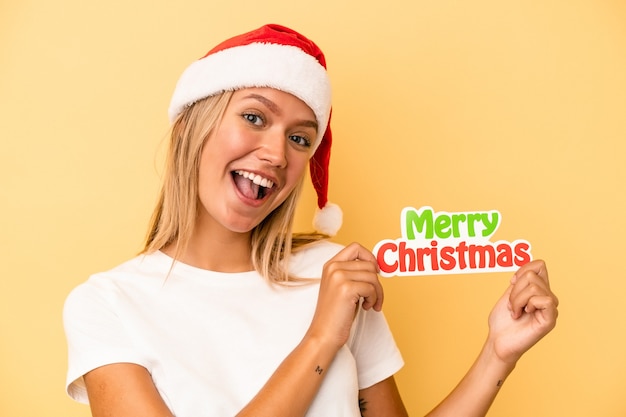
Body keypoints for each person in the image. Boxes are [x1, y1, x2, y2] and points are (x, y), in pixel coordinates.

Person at [63, 24, 559, 417]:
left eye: (300, 138)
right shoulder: (107, 306)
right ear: (196, 122)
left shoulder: (334, 273)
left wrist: (499, 352)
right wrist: (322, 338)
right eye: (255, 118)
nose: (277, 153)